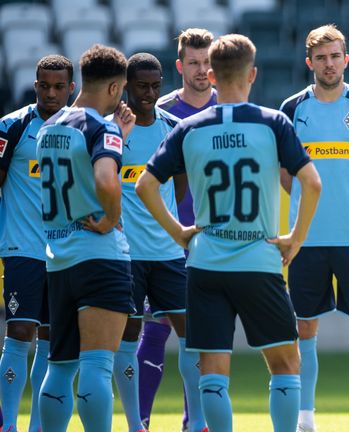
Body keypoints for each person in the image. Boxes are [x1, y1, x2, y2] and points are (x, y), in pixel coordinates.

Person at [136, 33, 322, 432]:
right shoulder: (274, 123)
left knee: (213, 374)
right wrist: (295, 238)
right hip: (259, 259)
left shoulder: (189, 127)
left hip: (205, 264)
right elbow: (313, 184)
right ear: (252, 74)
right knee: (287, 365)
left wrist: (180, 233)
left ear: (213, 75)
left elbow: (145, 185)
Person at [279, 24, 349, 432]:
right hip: (306, 239)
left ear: (346, 59)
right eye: (321, 58)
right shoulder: (291, 109)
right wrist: (309, 214)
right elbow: (286, 173)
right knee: (303, 326)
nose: (329, 64)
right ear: (310, 62)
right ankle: (306, 417)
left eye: (335, 56)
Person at [36, 44, 136, 432]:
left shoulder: (49, 127)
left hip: (59, 257)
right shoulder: (101, 127)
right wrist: (112, 217)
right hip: (99, 257)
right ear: (114, 88)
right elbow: (105, 179)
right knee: (97, 365)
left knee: (59, 367)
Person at [110, 52, 205, 432]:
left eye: (154, 85)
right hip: (127, 257)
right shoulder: (113, 129)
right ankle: (136, 424)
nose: (148, 93)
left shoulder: (174, 127)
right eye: (141, 86)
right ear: (125, 87)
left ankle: (196, 423)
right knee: (129, 338)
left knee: (192, 337)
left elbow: (181, 184)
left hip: (169, 254)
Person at [141, 27, 217, 430]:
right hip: (167, 242)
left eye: (208, 62)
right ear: (179, 65)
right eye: (194, 62)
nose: (202, 70)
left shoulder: (231, 109)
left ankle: (196, 422)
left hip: (215, 242)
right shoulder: (160, 113)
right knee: (153, 333)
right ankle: (142, 420)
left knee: (203, 339)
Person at [0, 54, 74, 432]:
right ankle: (8, 425)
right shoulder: (12, 126)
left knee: (51, 341)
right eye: (44, 85)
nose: (51, 93)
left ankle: (38, 427)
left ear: (72, 88)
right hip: (22, 249)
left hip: (64, 254)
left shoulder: (81, 129)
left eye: (59, 86)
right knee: (19, 333)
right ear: (35, 85)